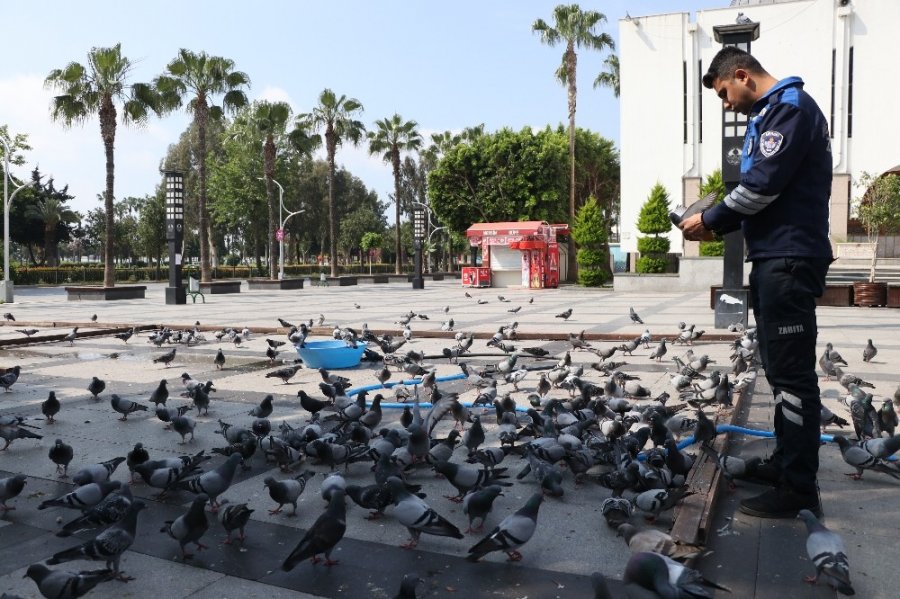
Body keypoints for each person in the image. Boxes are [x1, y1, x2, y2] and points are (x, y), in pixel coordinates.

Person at [679, 47, 832, 518]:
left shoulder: (788, 109)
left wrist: (711, 220)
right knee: (780, 372)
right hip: (775, 258)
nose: (727, 104)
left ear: (742, 75)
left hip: (788, 259)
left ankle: (798, 489)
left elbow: (761, 188)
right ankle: (786, 463)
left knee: (793, 379)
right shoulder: (773, 112)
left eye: (726, 93)